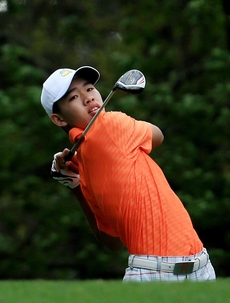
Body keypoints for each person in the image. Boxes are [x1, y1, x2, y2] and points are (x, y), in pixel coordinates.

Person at [41, 66, 216, 282]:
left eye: (90, 88)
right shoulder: (111, 123)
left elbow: (111, 242)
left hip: (194, 266)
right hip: (157, 273)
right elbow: (158, 135)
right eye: (74, 97)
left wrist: (74, 184)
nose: (88, 98)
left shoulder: (83, 167)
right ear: (59, 119)